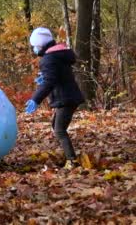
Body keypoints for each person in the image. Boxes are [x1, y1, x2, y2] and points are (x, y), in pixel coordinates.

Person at [24, 27, 84, 168]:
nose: (34, 49)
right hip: (69, 96)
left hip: (65, 99)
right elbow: (57, 74)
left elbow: (50, 82)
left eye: (34, 46)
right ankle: (67, 154)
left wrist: (36, 99)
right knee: (56, 126)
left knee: (59, 130)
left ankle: (72, 160)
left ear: (40, 45)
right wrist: (44, 77)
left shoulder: (48, 59)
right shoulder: (58, 54)